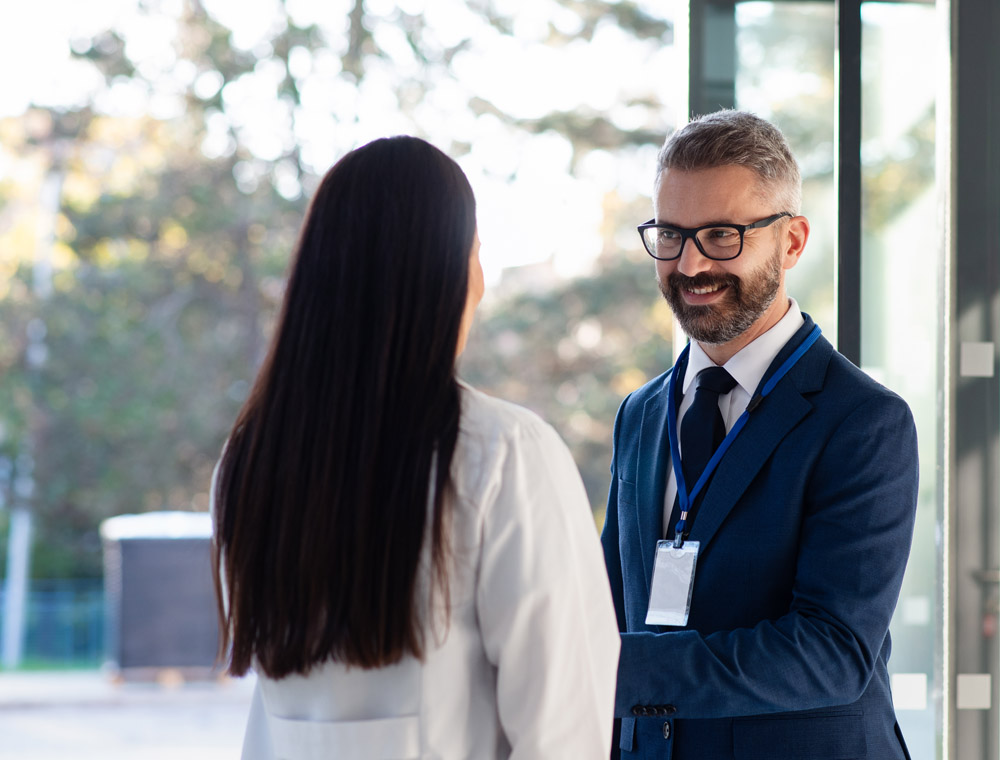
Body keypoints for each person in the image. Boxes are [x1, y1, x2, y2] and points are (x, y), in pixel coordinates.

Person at [211, 135, 620, 760]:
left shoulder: (249, 461)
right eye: (477, 250)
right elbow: (566, 729)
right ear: (450, 270)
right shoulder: (505, 453)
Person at [601, 110, 918, 759]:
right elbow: (611, 603)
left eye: (721, 235)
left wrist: (607, 672)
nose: (688, 264)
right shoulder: (640, 412)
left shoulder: (863, 422)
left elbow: (831, 652)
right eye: (670, 233)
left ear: (793, 242)